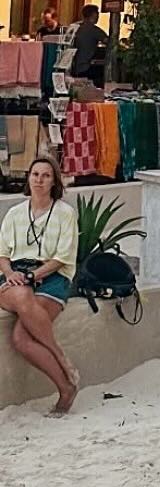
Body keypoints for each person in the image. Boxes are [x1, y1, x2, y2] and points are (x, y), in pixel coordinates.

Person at [0, 157, 79, 413]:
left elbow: (62, 258)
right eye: (35, 174)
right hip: (16, 275)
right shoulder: (14, 213)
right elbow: (2, 254)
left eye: (46, 175)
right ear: (29, 178)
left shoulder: (65, 213)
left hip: (51, 276)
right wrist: (10, 273)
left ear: (54, 181)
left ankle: (66, 390)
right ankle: (61, 357)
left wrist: (34, 275)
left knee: (21, 338)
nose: (39, 180)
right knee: (21, 295)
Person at [69, 4, 107, 81]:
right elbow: (109, 42)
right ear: (94, 15)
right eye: (98, 13)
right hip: (86, 68)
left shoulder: (74, 27)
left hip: (72, 67)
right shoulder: (94, 30)